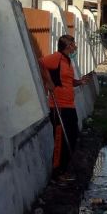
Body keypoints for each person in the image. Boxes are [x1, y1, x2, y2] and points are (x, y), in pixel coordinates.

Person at [38, 35, 91, 180]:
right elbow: (41, 63)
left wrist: (79, 82)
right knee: (60, 139)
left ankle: (65, 169)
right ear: (68, 46)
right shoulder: (57, 57)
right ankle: (57, 172)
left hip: (69, 105)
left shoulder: (67, 60)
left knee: (72, 136)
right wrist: (48, 82)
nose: (75, 48)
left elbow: (66, 80)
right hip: (59, 106)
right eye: (74, 45)